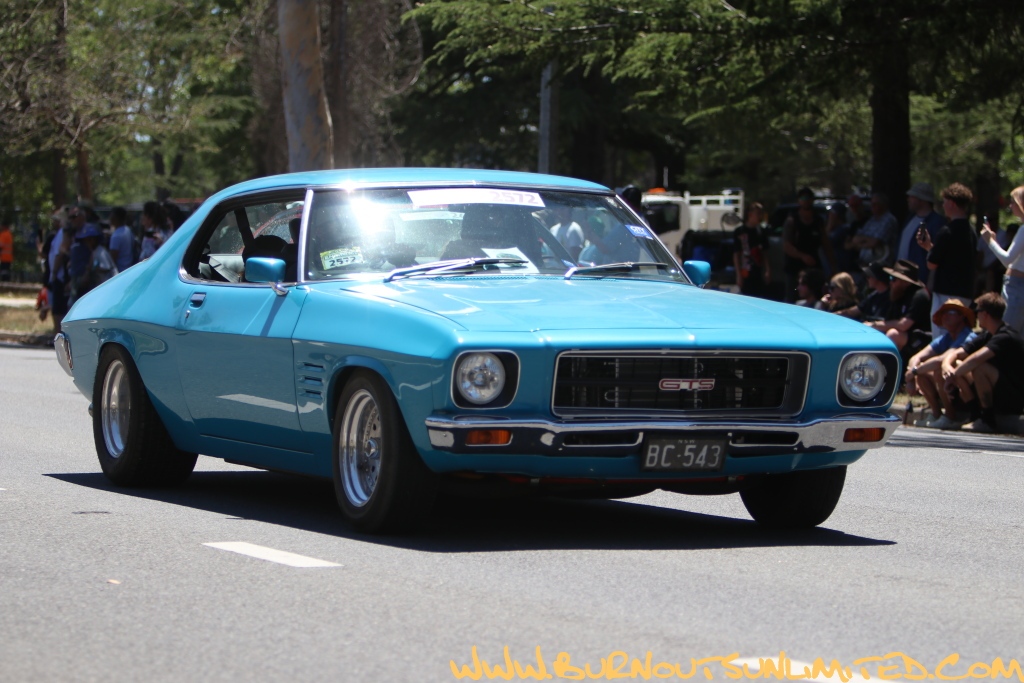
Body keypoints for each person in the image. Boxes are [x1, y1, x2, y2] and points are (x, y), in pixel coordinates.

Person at [942, 292, 1024, 433]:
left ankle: (988, 420)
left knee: (979, 367)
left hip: (1014, 399)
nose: (976, 316)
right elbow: (956, 353)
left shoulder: (1006, 336)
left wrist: (951, 378)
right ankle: (975, 415)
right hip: (998, 391)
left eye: (977, 311)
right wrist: (947, 366)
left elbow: (976, 358)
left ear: (985, 314)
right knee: (958, 364)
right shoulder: (988, 334)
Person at [918, 183, 977, 339]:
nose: (943, 206)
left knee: (942, 336)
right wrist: (930, 247)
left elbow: (932, 264)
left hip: (946, 294)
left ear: (951, 203)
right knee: (959, 336)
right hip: (965, 293)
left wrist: (930, 252)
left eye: (944, 202)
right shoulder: (971, 232)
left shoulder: (947, 231)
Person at [904, 298, 975, 428]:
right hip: (952, 382)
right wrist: (911, 377)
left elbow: (941, 360)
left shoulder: (967, 336)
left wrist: (913, 371)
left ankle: (950, 416)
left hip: (969, 385)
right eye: (943, 313)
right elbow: (917, 357)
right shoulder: (945, 338)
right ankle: (936, 414)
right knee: (922, 375)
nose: (945, 316)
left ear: (962, 316)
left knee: (939, 370)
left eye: (951, 312)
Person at [980, 185, 1024, 332]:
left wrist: (990, 241)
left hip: (1016, 288)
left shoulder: (1023, 229)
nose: (1010, 206)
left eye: (1013, 202)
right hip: (1018, 286)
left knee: (1007, 334)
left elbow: (1007, 259)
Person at [862, 260, 931, 354]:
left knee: (893, 334)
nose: (890, 282)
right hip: (905, 338)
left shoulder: (919, 296)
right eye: (890, 278)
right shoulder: (898, 294)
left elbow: (903, 325)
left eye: (893, 279)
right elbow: (889, 320)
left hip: (920, 339)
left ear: (906, 282)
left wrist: (873, 325)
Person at [782, 187, 835, 302]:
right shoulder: (792, 220)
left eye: (808, 198)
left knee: (816, 296)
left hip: (813, 267)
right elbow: (786, 245)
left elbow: (826, 244)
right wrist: (802, 256)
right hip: (795, 268)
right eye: (803, 198)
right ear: (799, 200)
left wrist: (832, 266)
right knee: (793, 296)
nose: (806, 201)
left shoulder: (818, 221)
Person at [895, 182, 945, 278]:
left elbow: (936, 254)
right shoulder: (910, 217)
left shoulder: (937, 222)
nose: (908, 199)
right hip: (901, 275)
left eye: (912, 196)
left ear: (922, 199)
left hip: (919, 278)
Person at [846, 192, 898, 267]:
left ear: (883, 205)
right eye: (872, 204)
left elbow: (874, 242)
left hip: (881, 264)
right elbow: (855, 239)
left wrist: (861, 242)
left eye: (875, 204)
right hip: (865, 263)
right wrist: (865, 240)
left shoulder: (889, 220)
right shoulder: (872, 219)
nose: (872, 206)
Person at [732, 202, 771, 297]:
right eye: (758, 214)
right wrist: (738, 275)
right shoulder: (740, 231)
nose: (760, 216)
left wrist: (767, 270)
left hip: (758, 271)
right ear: (750, 214)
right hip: (745, 271)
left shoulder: (761, 232)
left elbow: (765, 252)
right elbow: (736, 254)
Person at [74, 224, 118, 297]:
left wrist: (92, 269)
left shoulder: (100, 251)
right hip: (103, 286)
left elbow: (106, 268)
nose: (86, 243)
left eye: (88, 240)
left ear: (93, 240)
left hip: (110, 285)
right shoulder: (94, 252)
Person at [107, 206, 135, 273]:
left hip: (120, 272)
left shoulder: (116, 236)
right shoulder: (128, 230)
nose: (110, 218)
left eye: (111, 216)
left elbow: (112, 259)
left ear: (116, 218)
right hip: (129, 269)